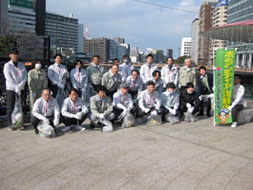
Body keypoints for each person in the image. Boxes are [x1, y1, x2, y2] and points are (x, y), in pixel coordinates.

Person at [3, 48, 27, 130]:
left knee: (21, 106)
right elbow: (8, 78)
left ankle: (19, 123)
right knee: (11, 106)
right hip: (11, 89)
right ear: (10, 55)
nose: (15, 56)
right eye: (13, 54)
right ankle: (11, 123)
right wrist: (16, 86)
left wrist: (21, 85)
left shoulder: (21, 65)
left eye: (16, 54)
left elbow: (25, 76)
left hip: (21, 88)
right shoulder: (7, 65)